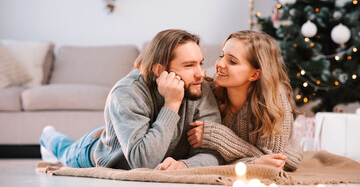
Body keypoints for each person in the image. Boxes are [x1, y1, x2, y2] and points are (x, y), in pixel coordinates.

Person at [40, 29, 223, 170]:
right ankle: (47, 137)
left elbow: (213, 151)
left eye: (200, 63)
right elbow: (143, 162)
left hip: (128, 130)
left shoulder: (198, 86)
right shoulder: (127, 91)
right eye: (189, 65)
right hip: (101, 150)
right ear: (159, 70)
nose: (200, 73)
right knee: (64, 151)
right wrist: (172, 104)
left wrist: (186, 166)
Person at [187, 30, 303, 171]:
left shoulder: (274, 100)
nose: (219, 64)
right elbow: (213, 160)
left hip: (286, 157)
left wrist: (218, 136)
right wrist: (253, 162)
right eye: (221, 55)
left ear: (255, 74)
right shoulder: (209, 90)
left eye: (232, 61)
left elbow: (271, 164)